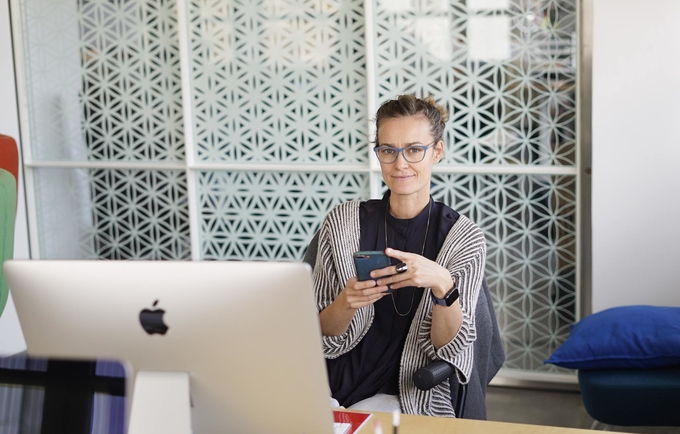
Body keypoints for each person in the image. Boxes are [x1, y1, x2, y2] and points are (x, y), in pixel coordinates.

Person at [312, 94, 487, 417]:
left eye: (414, 150)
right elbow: (318, 329)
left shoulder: (463, 238)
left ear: (437, 151)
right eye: (388, 150)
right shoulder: (343, 222)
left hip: (402, 392)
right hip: (327, 381)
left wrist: (442, 285)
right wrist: (346, 302)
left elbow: (448, 348)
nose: (400, 163)